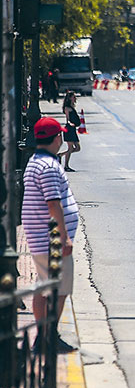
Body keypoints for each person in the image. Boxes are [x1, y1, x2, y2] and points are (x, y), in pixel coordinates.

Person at [22, 117, 79, 353]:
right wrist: (63, 237)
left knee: (44, 287)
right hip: (50, 240)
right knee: (59, 289)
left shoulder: (36, 162)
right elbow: (53, 204)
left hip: (40, 237)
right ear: (57, 138)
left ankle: (44, 337)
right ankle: (48, 337)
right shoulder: (48, 167)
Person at [60, 92, 82, 171]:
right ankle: (66, 166)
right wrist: (70, 123)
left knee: (78, 148)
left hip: (73, 129)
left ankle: (61, 155)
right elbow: (68, 118)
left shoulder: (72, 106)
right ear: (69, 98)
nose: (75, 98)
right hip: (69, 129)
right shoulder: (67, 108)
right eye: (73, 97)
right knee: (70, 148)